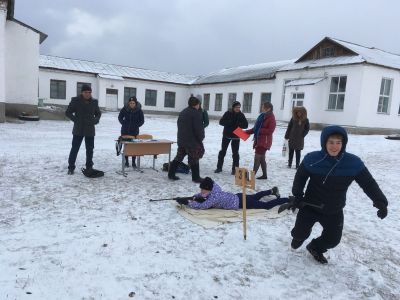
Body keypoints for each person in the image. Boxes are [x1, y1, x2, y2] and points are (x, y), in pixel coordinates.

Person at [283, 125, 388, 264]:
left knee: (333, 240)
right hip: (309, 206)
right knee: (298, 235)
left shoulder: (353, 163)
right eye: (331, 142)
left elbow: (368, 183)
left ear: (343, 144)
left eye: (338, 143)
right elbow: (300, 177)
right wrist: (297, 196)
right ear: (324, 142)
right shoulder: (312, 159)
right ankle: (298, 237)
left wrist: (380, 201)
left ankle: (315, 247)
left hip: (334, 209)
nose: (334, 146)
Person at [176, 177, 288, 210]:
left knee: (266, 206)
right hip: (238, 196)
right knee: (256, 196)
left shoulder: (214, 197)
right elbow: (203, 195)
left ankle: (287, 200)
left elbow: (202, 206)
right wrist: (193, 197)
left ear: (209, 189)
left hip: (241, 203)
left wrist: (188, 202)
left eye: (203, 190)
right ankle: (271, 191)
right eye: (201, 190)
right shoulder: (214, 187)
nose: (202, 192)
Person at [65, 84, 101, 175]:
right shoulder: (75, 100)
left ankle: (89, 166)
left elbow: (98, 113)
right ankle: (71, 167)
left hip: (90, 129)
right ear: (82, 92)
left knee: (90, 149)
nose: (88, 94)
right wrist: (76, 120)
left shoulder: (94, 102)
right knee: (75, 148)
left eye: (89, 92)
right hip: (78, 129)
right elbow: (68, 112)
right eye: (86, 92)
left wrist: (95, 120)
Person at [168, 96, 205, 183]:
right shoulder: (196, 114)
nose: (199, 106)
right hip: (192, 141)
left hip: (182, 140)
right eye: (199, 104)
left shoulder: (183, 112)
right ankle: (196, 177)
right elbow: (198, 129)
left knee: (179, 157)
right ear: (196, 104)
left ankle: (171, 173)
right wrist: (201, 138)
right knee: (194, 158)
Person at [215, 101, 248, 175]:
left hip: (236, 136)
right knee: (223, 151)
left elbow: (246, 125)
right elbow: (221, 122)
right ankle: (219, 167)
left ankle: (235, 170)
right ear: (233, 107)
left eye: (239, 107)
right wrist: (229, 122)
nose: (238, 109)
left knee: (235, 154)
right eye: (236, 107)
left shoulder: (241, 115)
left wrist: (239, 124)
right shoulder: (228, 113)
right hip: (227, 135)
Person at [245, 102, 276, 179]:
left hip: (264, 142)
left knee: (257, 158)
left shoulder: (271, 118)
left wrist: (259, 130)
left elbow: (270, 130)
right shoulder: (262, 116)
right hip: (259, 140)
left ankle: (251, 177)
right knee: (262, 159)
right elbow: (255, 129)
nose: (262, 108)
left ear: (268, 108)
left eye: (263, 107)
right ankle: (264, 175)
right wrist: (245, 132)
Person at [118, 96, 144, 167]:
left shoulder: (139, 110)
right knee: (126, 147)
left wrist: (136, 125)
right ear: (128, 103)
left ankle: (133, 162)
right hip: (125, 131)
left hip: (134, 132)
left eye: (133, 103)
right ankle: (126, 162)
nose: (132, 104)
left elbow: (142, 121)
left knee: (134, 147)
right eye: (130, 103)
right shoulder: (124, 109)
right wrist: (123, 123)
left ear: (136, 103)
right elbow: (120, 117)